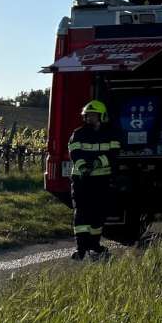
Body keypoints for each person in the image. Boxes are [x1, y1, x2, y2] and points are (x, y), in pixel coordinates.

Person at [67, 100, 120, 260]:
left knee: (98, 214)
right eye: (87, 115)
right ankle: (81, 248)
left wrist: (97, 163)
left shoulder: (111, 134)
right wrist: (83, 168)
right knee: (81, 212)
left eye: (93, 115)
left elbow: (114, 153)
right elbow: (74, 153)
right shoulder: (78, 133)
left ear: (101, 116)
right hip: (82, 180)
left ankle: (94, 245)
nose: (89, 118)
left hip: (101, 180)